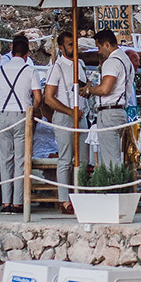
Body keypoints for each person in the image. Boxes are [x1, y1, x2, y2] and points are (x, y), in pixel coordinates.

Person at [0, 33, 39, 212]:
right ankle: (18, 203)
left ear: (11, 49)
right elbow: (38, 97)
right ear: (27, 53)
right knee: (20, 159)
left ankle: (6, 202)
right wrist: (32, 110)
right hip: (22, 115)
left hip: (3, 115)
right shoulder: (30, 70)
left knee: (4, 159)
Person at [87, 28, 136, 169]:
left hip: (109, 112)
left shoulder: (112, 61)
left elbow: (105, 89)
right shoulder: (125, 59)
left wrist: (90, 90)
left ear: (107, 45)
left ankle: (113, 189)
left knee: (110, 161)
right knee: (114, 155)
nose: (98, 51)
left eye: (99, 47)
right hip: (120, 111)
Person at [43, 31, 84, 195]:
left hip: (81, 115)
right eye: (70, 44)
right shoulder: (56, 67)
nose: (74, 47)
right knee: (65, 159)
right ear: (61, 48)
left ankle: (79, 194)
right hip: (65, 115)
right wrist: (69, 111)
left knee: (83, 159)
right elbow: (48, 98)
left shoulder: (80, 64)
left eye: (75, 43)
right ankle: (64, 199)